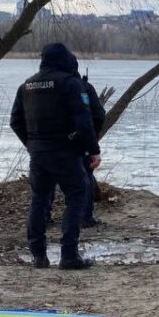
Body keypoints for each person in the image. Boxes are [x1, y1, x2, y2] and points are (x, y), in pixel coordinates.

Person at [10, 43, 101, 270]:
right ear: (66, 58)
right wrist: (91, 149)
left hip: (38, 153)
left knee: (39, 199)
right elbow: (84, 121)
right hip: (64, 151)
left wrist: (32, 144)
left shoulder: (27, 86)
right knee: (77, 195)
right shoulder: (70, 84)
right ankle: (69, 255)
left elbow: (15, 121)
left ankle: (38, 255)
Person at [43, 71, 106, 228]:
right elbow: (99, 116)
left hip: (50, 141)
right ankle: (84, 217)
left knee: (48, 178)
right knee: (85, 176)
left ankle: (44, 217)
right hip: (78, 140)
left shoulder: (46, 86)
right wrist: (92, 138)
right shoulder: (84, 87)